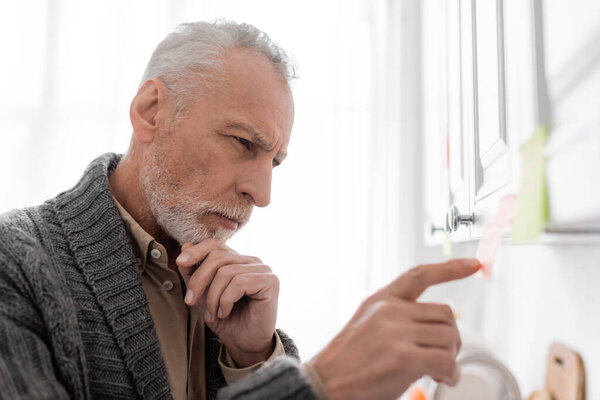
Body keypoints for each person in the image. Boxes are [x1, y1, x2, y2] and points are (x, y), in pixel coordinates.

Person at [0, 21, 481, 400]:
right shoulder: (14, 263)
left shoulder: (222, 295)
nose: (263, 193)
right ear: (151, 111)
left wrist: (253, 358)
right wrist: (320, 385)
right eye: (243, 142)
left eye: (274, 160)